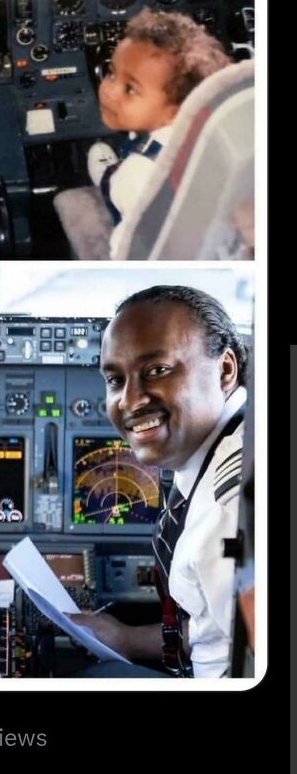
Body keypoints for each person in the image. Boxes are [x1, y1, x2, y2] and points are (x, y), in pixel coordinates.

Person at [70, 285, 249, 677]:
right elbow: (218, 626)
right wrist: (127, 639)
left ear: (226, 369)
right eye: (116, 380)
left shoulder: (234, 509)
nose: (131, 401)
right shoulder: (220, 450)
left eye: (157, 370)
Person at [87, 10, 231, 256]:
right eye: (112, 73)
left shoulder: (137, 174)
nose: (109, 90)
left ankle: (106, 177)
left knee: (117, 190)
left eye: (130, 89)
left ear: (174, 111)